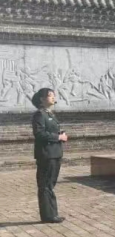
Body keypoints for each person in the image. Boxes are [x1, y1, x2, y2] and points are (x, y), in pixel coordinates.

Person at [31, 88, 68, 224]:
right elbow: (39, 134)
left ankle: (52, 213)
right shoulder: (39, 115)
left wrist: (60, 134)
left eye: (53, 95)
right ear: (42, 99)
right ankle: (48, 216)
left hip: (55, 153)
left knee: (50, 185)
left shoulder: (49, 113)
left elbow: (50, 131)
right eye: (50, 96)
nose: (53, 98)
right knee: (45, 185)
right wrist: (58, 137)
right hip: (46, 154)